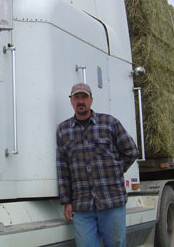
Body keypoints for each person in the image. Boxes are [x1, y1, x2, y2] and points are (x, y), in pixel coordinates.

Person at [56, 83, 139, 247]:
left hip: (112, 200)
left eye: (84, 97)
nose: (80, 101)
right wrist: (67, 201)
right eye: (76, 97)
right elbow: (63, 168)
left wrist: (117, 170)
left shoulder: (109, 123)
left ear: (91, 100)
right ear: (71, 101)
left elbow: (131, 150)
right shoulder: (63, 130)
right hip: (82, 205)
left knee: (116, 244)